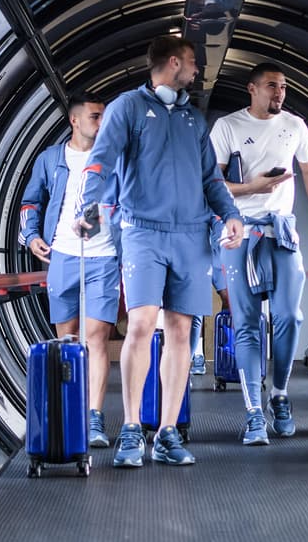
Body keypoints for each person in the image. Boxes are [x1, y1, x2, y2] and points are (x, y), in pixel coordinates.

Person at [76, 36, 243, 467]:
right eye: (192, 62)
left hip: (190, 235)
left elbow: (211, 180)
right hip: (142, 231)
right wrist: (89, 209)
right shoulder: (127, 108)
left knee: (181, 331)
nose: (196, 71)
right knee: (142, 324)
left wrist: (230, 214)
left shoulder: (193, 119)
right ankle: (132, 428)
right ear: (173, 62)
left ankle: (167, 431)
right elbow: (102, 161)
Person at [210, 62, 308, 445]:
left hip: (282, 232)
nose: (279, 93)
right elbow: (212, 184)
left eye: (283, 86)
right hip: (241, 232)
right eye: (271, 86)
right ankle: (252, 412)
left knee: (289, 317)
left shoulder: (295, 126)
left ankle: (278, 395)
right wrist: (251, 189)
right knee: (245, 322)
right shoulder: (228, 126)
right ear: (252, 89)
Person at [19, 93, 119, 449]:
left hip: (104, 256)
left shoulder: (115, 155)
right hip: (63, 255)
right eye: (95, 116)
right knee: (67, 340)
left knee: (96, 339)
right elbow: (31, 201)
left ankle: (93, 418)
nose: (102, 123)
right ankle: (69, 412)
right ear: (74, 120)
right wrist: (31, 237)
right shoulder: (50, 159)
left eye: (104, 116)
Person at [189, 215, 231, 376]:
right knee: (195, 311)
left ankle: (227, 359)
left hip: (220, 248)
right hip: (197, 249)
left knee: (229, 300)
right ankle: (190, 361)